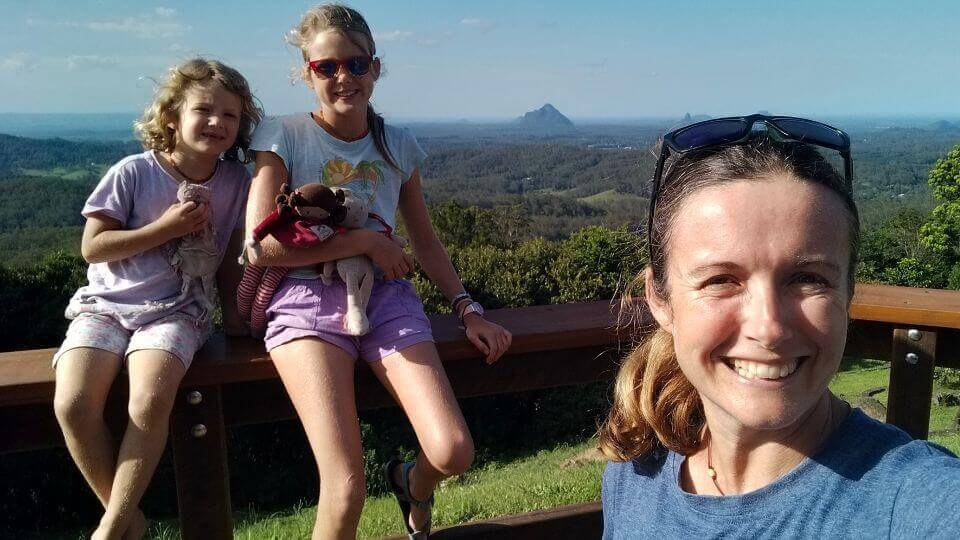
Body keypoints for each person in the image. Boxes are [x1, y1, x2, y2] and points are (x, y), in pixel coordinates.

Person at [599, 115, 960, 538]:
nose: (768, 328)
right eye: (721, 280)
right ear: (660, 299)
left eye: (808, 279)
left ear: (847, 294)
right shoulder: (634, 475)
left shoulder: (918, 503)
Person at [245, 4, 512, 539]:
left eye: (356, 64)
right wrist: (364, 239)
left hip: (387, 298)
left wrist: (467, 309)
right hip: (305, 303)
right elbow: (260, 247)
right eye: (327, 67)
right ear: (307, 72)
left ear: (376, 67)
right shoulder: (284, 135)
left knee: (453, 450)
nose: (343, 77)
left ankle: (412, 483)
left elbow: (426, 241)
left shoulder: (397, 145)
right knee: (344, 488)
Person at [52, 58, 261, 539]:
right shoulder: (133, 172)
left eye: (230, 115)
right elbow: (93, 246)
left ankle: (109, 531)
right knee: (73, 404)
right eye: (204, 109)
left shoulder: (236, 184)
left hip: (180, 310)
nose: (217, 122)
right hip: (106, 304)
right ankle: (127, 518)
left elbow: (231, 255)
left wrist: (234, 319)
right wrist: (164, 229)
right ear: (171, 117)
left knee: (149, 400)